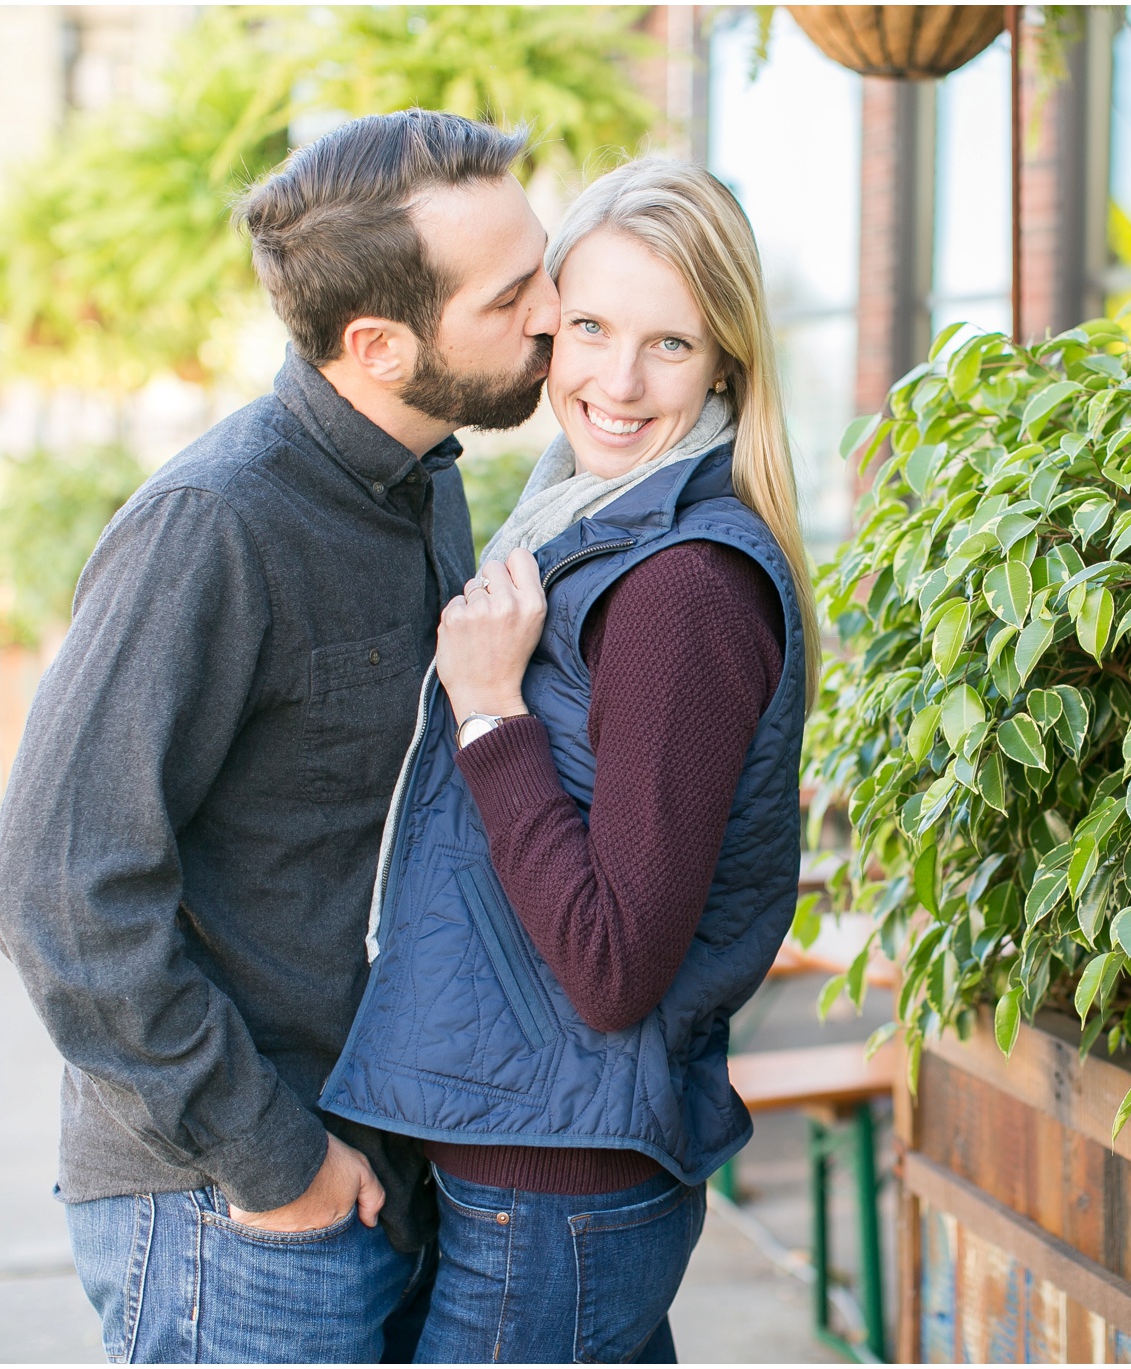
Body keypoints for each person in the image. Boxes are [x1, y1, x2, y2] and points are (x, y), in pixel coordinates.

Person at [0, 110, 560, 1364]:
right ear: (378, 344)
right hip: (235, 1206)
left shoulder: (433, 479)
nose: (555, 312)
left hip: (383, 1165)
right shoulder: (210, 524)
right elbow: (58, 894)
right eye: (511, 295)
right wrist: (268, 1156)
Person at [320, 157, 820, 1363]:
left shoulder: (682, 588)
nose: (614, 379)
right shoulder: (582, 520)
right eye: (588, 327)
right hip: (528, 1154)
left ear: (724, 366)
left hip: (555, 1185)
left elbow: (613, 965)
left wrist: (493, 712)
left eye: (669, 344)